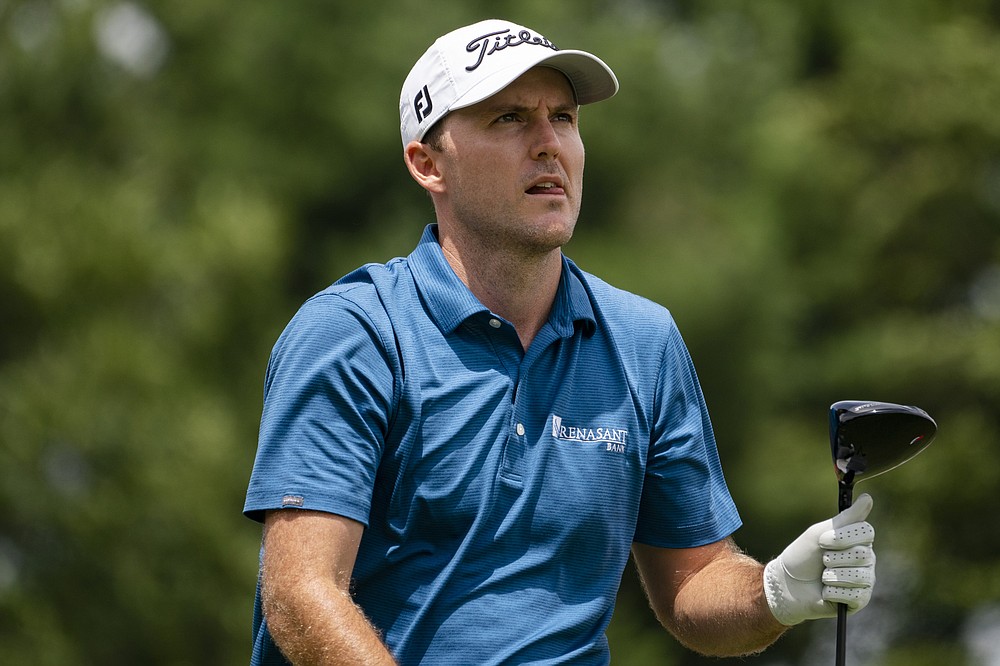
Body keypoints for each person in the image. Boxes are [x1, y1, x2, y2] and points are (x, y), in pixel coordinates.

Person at [243, 18, 877, 665]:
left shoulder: (642, 341)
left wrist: (771, 593)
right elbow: (301, 592)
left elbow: (693, 585)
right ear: (428, 163)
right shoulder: (355, 333)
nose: (549, 144)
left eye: (565, 119)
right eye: (510, 119)